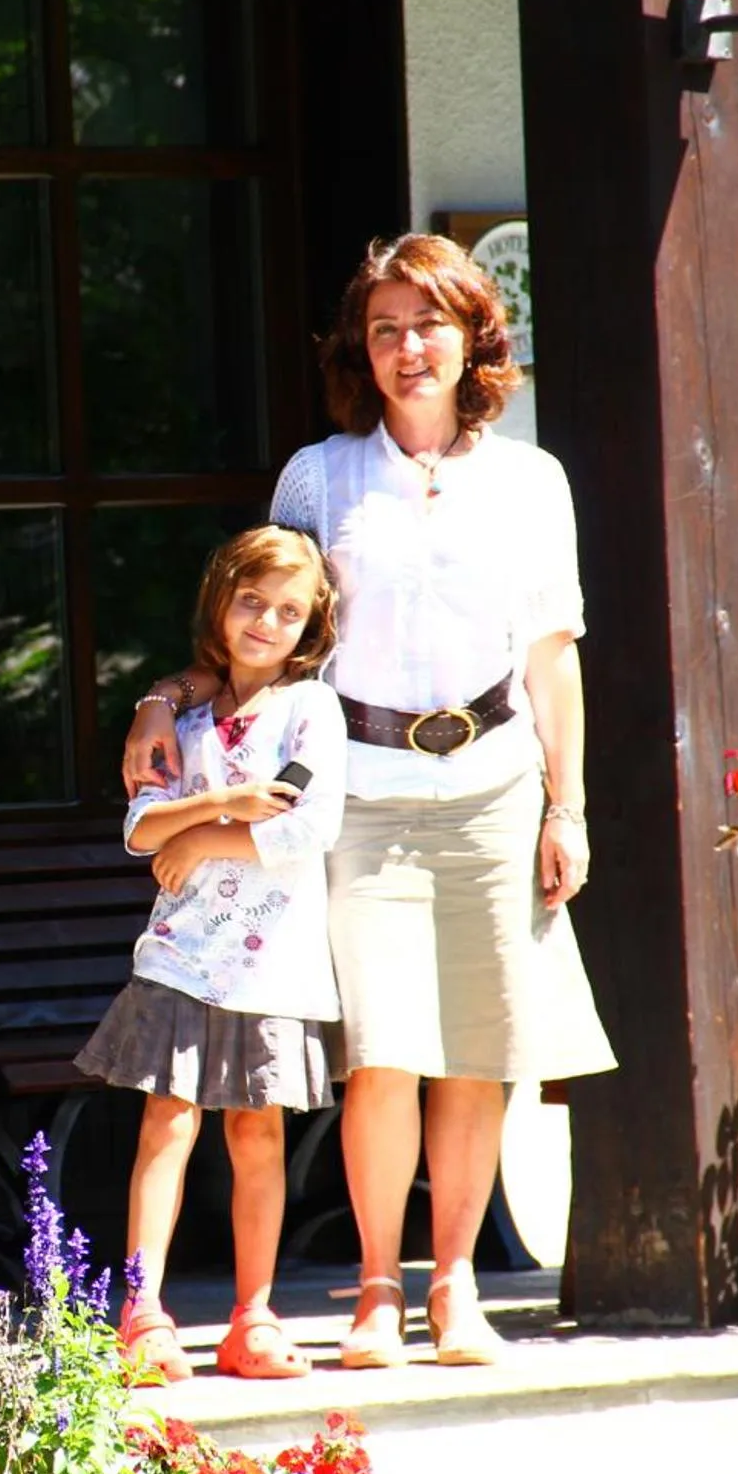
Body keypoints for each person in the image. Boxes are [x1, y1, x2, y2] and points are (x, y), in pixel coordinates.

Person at [119, 233, 617, 1369]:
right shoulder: (321, 475)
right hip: (364, 791)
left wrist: (566, 807)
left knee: (482, 1049)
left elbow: (553, 661)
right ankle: (377, 1294)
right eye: (385, 328)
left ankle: (456, 1292)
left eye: (430, 325)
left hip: (496, 783)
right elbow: (265, 628)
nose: (408, 348)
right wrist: (166, 695)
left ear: (474, 339)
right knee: (383, 1050)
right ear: (362, 348)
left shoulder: (531, 482)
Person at [75, 525, 347, 1383]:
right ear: (220, 604)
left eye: (289, 611)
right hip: (181, 954)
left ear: (312, 628)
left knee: (257, 1134)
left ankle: (253, 1316)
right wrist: (222, 806)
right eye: (251, 601)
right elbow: (139, 827)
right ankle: (143, 1310)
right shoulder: (183, 717)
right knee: (168, 1123)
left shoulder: (312, 711)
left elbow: (307, 825)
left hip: (272, 961)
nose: (266, 622)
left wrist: (205, 841)